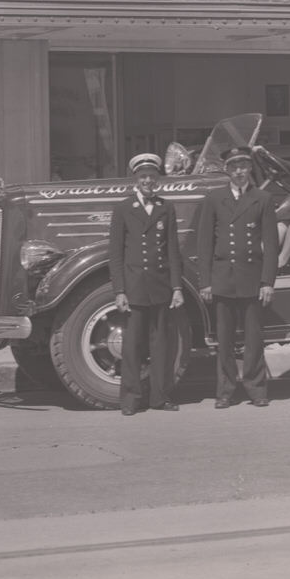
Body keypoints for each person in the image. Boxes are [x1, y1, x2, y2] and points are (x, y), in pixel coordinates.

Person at [197, 145, 278, 408]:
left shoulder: (262, 198)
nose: (239, 171)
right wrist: (205, 282)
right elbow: (204, 243)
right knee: (225, 341)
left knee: (254, 339)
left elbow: (271, 244)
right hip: (223, 279)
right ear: (227, 170)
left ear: (250, 168)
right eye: (234, 167)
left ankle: (256, 389)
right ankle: (225, 391)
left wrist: (267, 282)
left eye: (243, 166)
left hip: (251, 278)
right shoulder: (214, 198)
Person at [108, 152, 184, 416]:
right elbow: (115, 253)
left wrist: (176, 287)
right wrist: (119, 290)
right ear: (135, 179)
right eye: (143, 177)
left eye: (152, 176)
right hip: (135, 289)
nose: (148, 181)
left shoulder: (166, 207)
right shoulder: (123, 209)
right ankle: (130, 400)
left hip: (161, 286)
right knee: (132, 348)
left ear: (158, 179)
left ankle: (160, 397)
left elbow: (173, 251)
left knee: (161, 346)